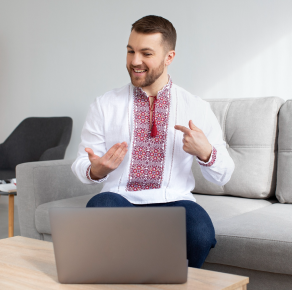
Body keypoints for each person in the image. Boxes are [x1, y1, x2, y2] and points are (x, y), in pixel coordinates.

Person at [71, 15, 235, 268]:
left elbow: (223, 175)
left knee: (200, 234)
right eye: (130, 51)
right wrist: (97, 169)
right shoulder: (104, 105)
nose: (135, 61)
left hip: (175, 200)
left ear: (169, 57)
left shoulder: (196, 107)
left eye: (146, 53)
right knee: (99, 208)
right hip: (119, 197)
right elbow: (82, 162)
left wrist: (206, 153)